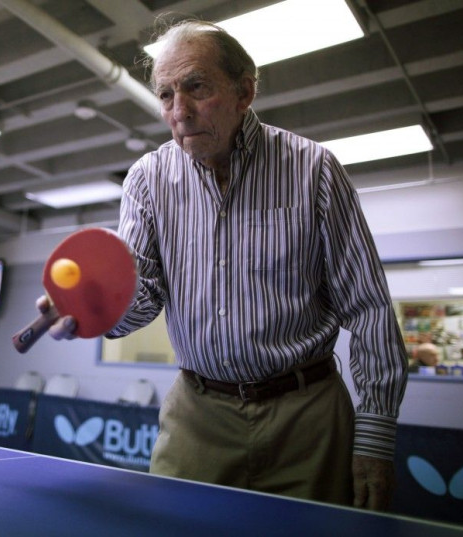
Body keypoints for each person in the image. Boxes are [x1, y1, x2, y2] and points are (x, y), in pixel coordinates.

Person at [42, 19, 407, 511]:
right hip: (197, 415)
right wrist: (94, 310)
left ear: (245, 91)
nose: (180, 111)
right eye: (166, 95)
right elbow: (143, 295)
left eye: (196, 87)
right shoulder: (147, 180)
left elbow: (368, 308)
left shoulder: (314, 169)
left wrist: (376, 435)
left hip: (309, 416)